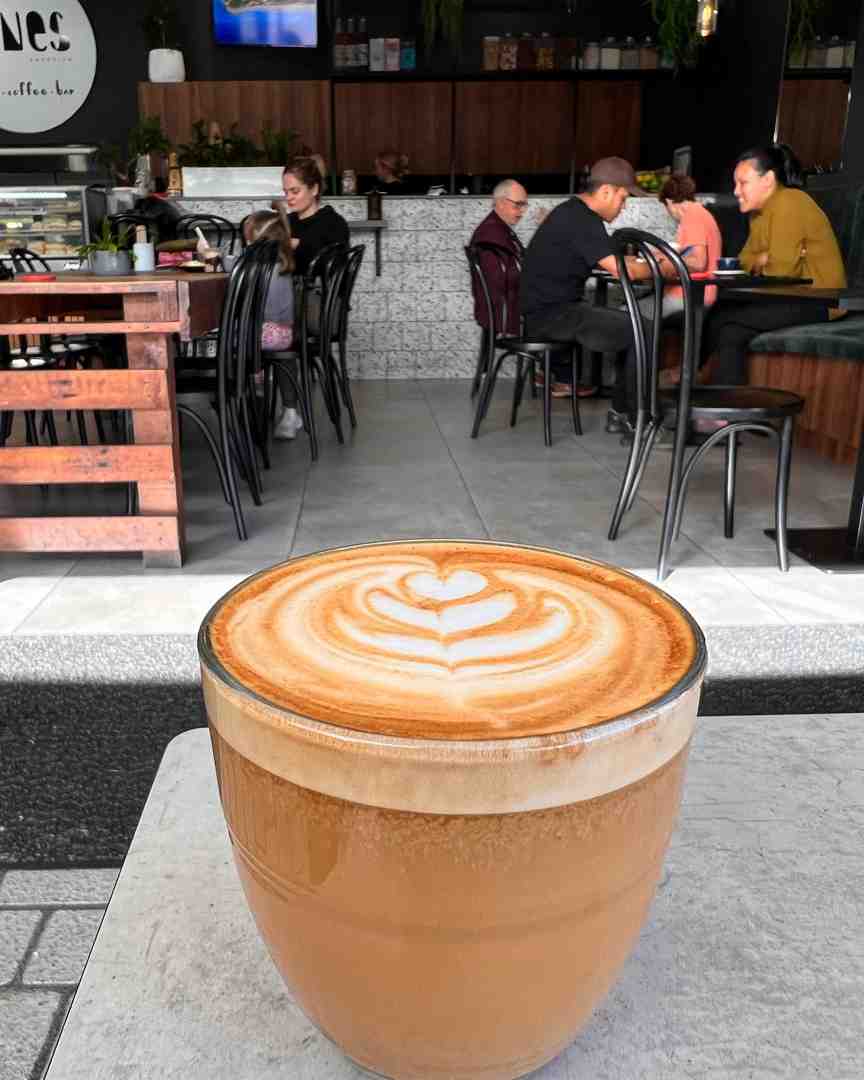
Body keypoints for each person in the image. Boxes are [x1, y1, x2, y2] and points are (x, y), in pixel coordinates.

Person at [520, 156, 653, 430]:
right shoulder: (582, 219)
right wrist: (670, 265)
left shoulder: (573, 212)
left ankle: (623, 410)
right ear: (606, 191)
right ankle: (630, 417)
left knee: (632, 327)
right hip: (553, 316)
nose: (623, 206)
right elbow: (620, 269)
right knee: (645, 331)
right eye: (623, 198)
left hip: (548, 311)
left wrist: (644, 265)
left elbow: (612, 261)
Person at [700, 143, 846, 385]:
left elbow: (781, 271)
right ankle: (728, 411)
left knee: (724, 317)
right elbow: (744, 261)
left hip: (819, 300)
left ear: (768, 180)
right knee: (729, 329)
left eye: (743, 183)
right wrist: (761, 258)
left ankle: (689, 376)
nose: (736, 191)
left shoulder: (790, 202)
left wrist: (765, 260)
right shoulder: (759, 213)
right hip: (791, 296)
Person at [242, 208, 303, 440]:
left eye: (249, 242)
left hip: (262, 335)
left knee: (230, 338)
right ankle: (284, 407)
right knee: (245, 336)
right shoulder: (283, 263)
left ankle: (253, 387)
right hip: (285, 335)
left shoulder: (254, 268)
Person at [640, 173, 722, 322]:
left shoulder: (692, 216)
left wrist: (662, 262)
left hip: (687, 297)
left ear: (669, 201)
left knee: (626, 314)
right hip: (691, 294)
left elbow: (698, 262)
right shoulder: (700, 214)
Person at [469, 179, 527, 337]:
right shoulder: (491, 235)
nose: (522, 212)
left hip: (502, 312)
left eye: (524, 205)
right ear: (501, 203)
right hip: (504, 315)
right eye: (518, 205)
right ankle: (552, 361)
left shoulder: (498, 229)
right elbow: (499, 279)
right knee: (564, 321)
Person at [280, 156, 349, 276]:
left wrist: (298, 245)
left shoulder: (333, 224)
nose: (288, 198)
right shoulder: (286, 221)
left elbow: (335, 270)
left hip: (313, 292)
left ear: (314, 189)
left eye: (295, 191)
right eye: (286, 192)